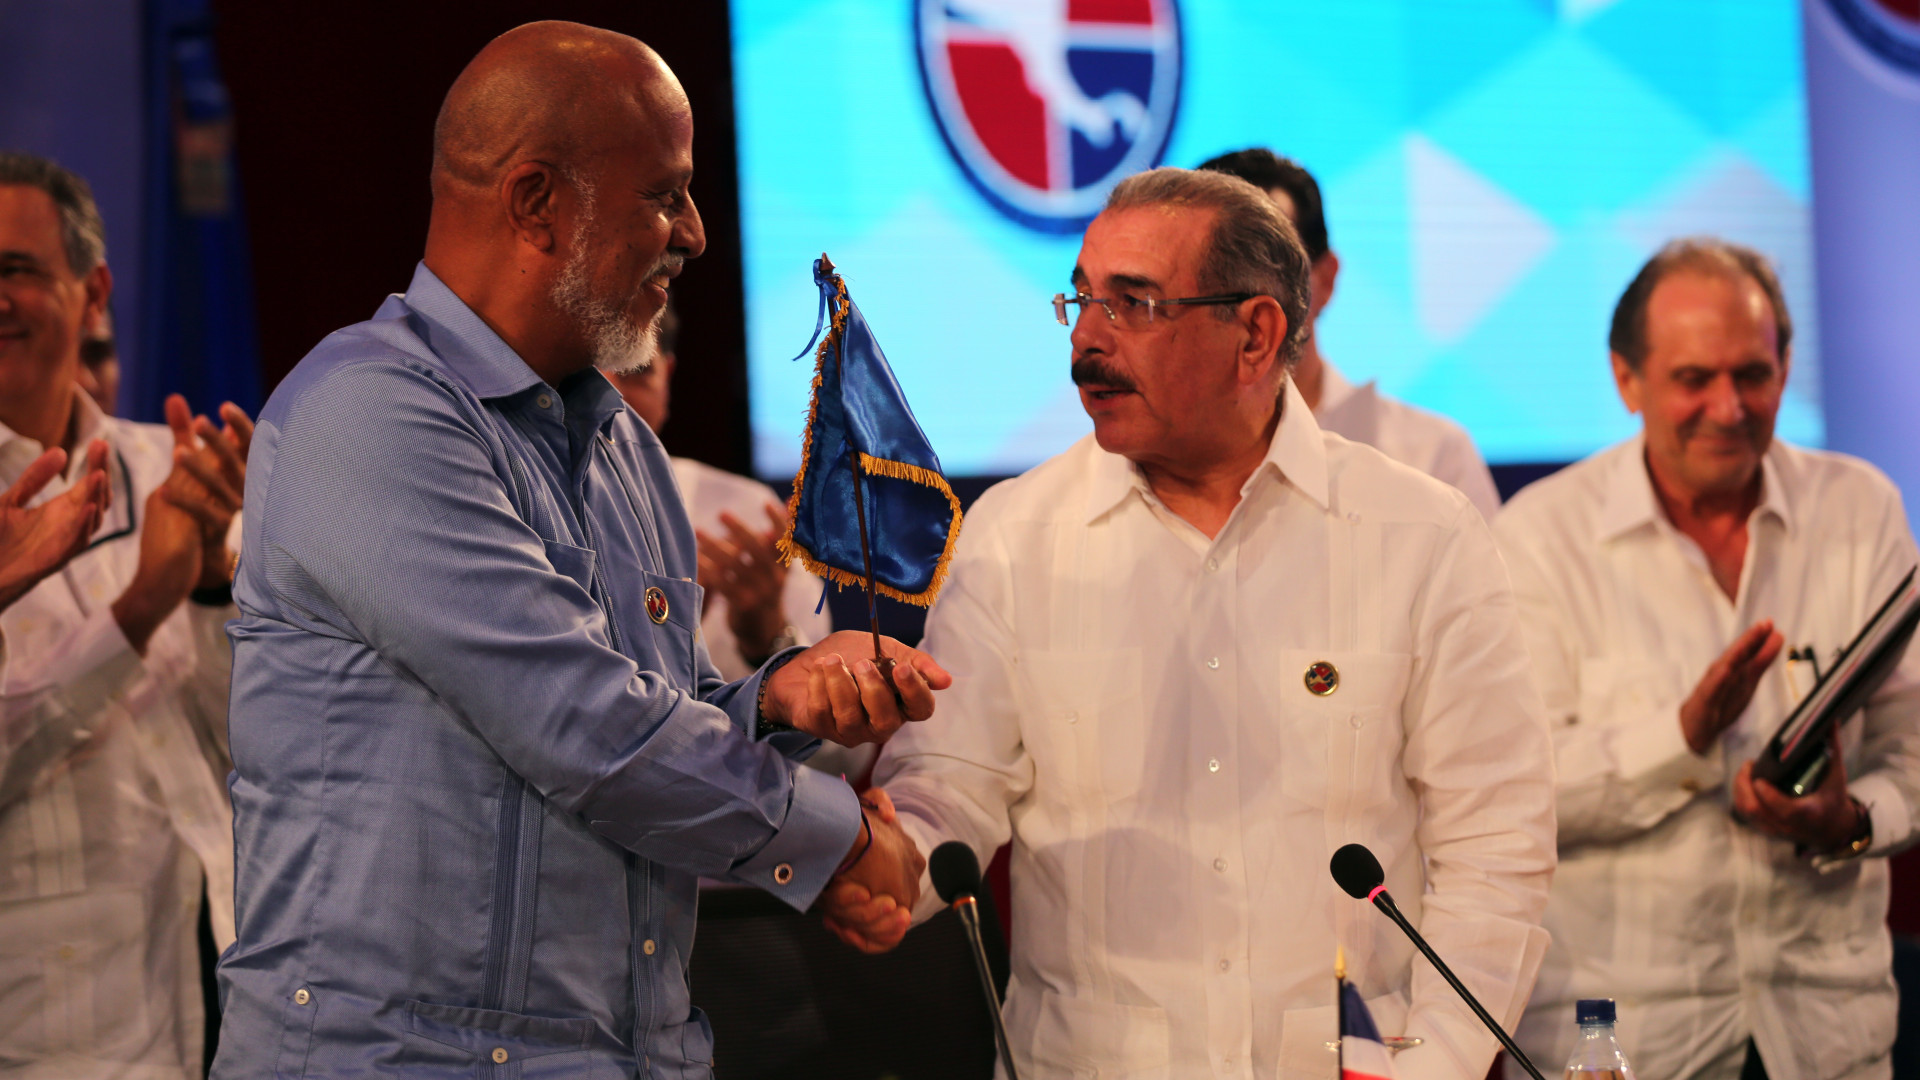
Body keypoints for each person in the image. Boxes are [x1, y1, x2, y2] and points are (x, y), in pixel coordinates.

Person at [212, 23, 944, 1078]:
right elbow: (580, 723)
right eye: (664, 195)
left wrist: (775, 703)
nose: (694, 233)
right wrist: (838, 842)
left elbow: (654, 708)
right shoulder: (368, 413)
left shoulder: (625, 451)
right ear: (536, 204)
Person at [871, 167, 1556, 1079]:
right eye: (1081, 298)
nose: (1086, 338)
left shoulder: (1420, 535)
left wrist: (1428, 1069)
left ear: (1255, 334)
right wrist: (883, 863)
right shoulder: (1014, 537)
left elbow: (1496, 848)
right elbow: (949, 786)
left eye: (1133, 304)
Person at [1494, 238, 1920, 1080]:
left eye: (1752, 375)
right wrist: (1683, 736)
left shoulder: (1860, 507)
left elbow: (1912, 744)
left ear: (1786, 368)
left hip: (1827, 1036)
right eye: (1694, 379)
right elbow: (1515, 793)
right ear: (1627, 380)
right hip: (1628, 1042)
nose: (1728, 408)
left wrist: (1851, 820)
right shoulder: (1539, 538)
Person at [0, 151, 252, 1078]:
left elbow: (268, 747)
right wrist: (137, 612)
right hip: (57, 1035)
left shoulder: (177, 469)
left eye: (16, 269)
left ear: (95, 292)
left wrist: (213, 588)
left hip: (237, 990)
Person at [1198, 148, 1501, 518]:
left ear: (1326, 280)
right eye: (1210, 276)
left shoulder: (1432, 456)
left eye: (1267, 268)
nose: (1239, 302)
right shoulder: (1141, 455)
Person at [605, 303, 831, 681]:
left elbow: (825, 708)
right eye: (588, 377)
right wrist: (668, 628)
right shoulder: (522, 507)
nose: (610, 398)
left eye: (635, 371)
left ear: (668, 375)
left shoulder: (748, 514)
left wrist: (768, 637)